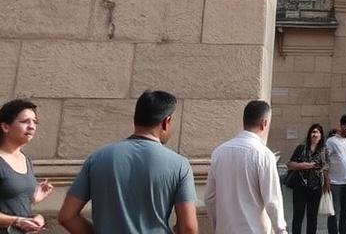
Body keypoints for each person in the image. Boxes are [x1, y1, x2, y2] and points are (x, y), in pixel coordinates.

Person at [58, 90, 199, 234]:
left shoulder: (97, 158)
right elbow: (188, 227)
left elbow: (67, 216)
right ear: (166, 122)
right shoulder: (179, 165)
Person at [205, 100, 287, 234]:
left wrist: (218, 223)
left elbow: (209, 198)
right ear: (264, 123)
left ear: (244, 120)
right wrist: (280, 230)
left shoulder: (219, 152)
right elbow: (272, 201)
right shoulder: (264, 155)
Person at [0, 99, 53, 233]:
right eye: (25, 121)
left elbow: (11, 201)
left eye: (35, 122)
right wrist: (17, 221)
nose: (32, 126)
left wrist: (33, 201)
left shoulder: (25, 159)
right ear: (5, 127)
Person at [288, 123, 328, 234]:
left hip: (316, 187)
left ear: (321, 135)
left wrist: (326, 182)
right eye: (313, 132)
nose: (314, 135)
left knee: (312, 217)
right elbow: (290, 164)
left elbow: (326, 166)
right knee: (298, 215)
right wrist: (306, 165)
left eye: (317, 132)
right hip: (300, 185)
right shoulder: (301, 149)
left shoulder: (323, 150)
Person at [327, 115, 346, 234]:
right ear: (341, 126)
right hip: (335, 181)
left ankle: (343, 230)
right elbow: (326, 161)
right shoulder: (331, 141)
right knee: (334, 210)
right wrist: (327, 179)